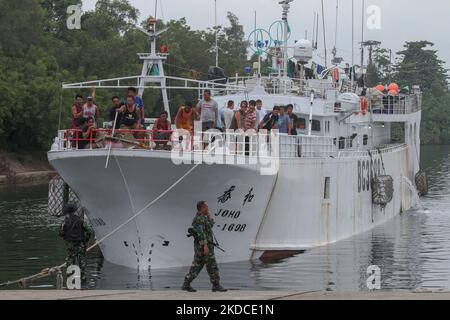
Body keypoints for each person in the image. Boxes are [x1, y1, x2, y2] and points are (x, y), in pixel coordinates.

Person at [182, 201, 227, 293]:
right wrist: (205, 246)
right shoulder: (199, 219)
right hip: (204, 246)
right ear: (202, 208)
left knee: (197, 265)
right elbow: (200, 233)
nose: (208, 208)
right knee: (212, 265)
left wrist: (210, 217)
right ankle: (216, 285)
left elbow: (209, 226)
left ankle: (186, 283)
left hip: (203, 246)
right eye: (206, 207)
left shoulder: (203, 218)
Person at [59, 202, 93, 283]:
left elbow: (60, 233)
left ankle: (71, 281)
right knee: (82, 262)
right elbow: (89, 230)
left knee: (70, 261)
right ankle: (83, 280)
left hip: (71, 245)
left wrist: (65, 238)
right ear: (75, 210)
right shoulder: (80, 220)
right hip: (81, 243)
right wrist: (86, 239)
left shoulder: (65, 222)